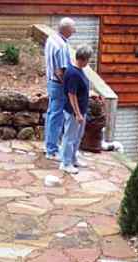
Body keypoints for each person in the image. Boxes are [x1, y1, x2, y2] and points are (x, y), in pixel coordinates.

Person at [44, 17, 75, 161]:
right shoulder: (62, 46)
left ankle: (48, 145)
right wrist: (68, 87)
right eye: (73, 28)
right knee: (56, 117)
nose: (75, 31)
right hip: (58, 84)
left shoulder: (51, 39)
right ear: (66, 30)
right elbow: (60, 71)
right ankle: (52, 150)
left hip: (51, 82)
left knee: (51, 114)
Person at [60, 45, 92, 175]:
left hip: (81, 111)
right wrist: (78, 114)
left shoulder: (79, 70)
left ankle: (73, 158)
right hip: (74, 112)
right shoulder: (73, 73)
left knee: (78, 136)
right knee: (69, 137)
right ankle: (65, 163)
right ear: (84, 59)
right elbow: (71, 95)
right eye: (88, 59)